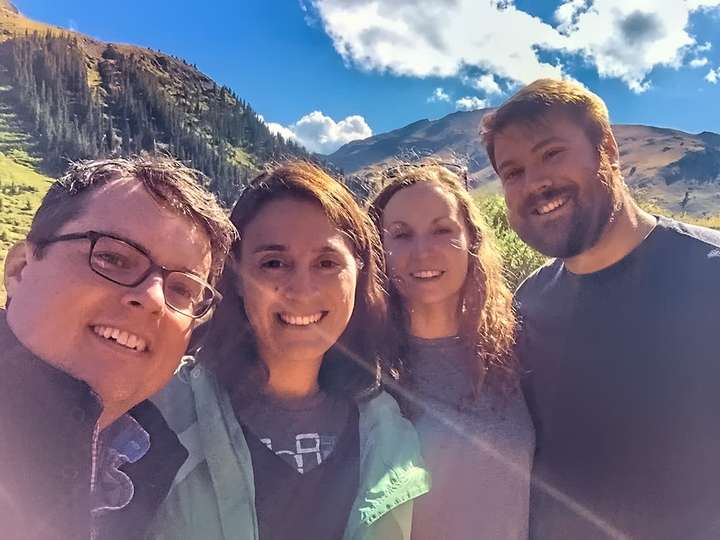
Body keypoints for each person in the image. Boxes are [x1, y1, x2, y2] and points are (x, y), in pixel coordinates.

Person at [482, 78, 720, 539]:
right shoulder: (527, 306)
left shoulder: (710, 274)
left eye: (552, 154)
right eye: (513, 172)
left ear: (607, 149)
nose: (536, 183)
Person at [150, 160, 430, 540]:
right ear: (236, 278)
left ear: (359, 275)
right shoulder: (165, 413)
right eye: (274, 263)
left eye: (327, 262)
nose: (302, 290)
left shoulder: (391, 431)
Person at [0, 156, 236, 540]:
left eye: (182, 288)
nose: (153, 298)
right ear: (21, 269)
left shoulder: (149, 463)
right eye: (112, 258)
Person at [368, 162, 534, 540]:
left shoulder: (516, 350)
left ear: (472, 240)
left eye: (442, 230)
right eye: (401, 235)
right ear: (377, 248)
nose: (422, 252)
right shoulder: (361, 367)